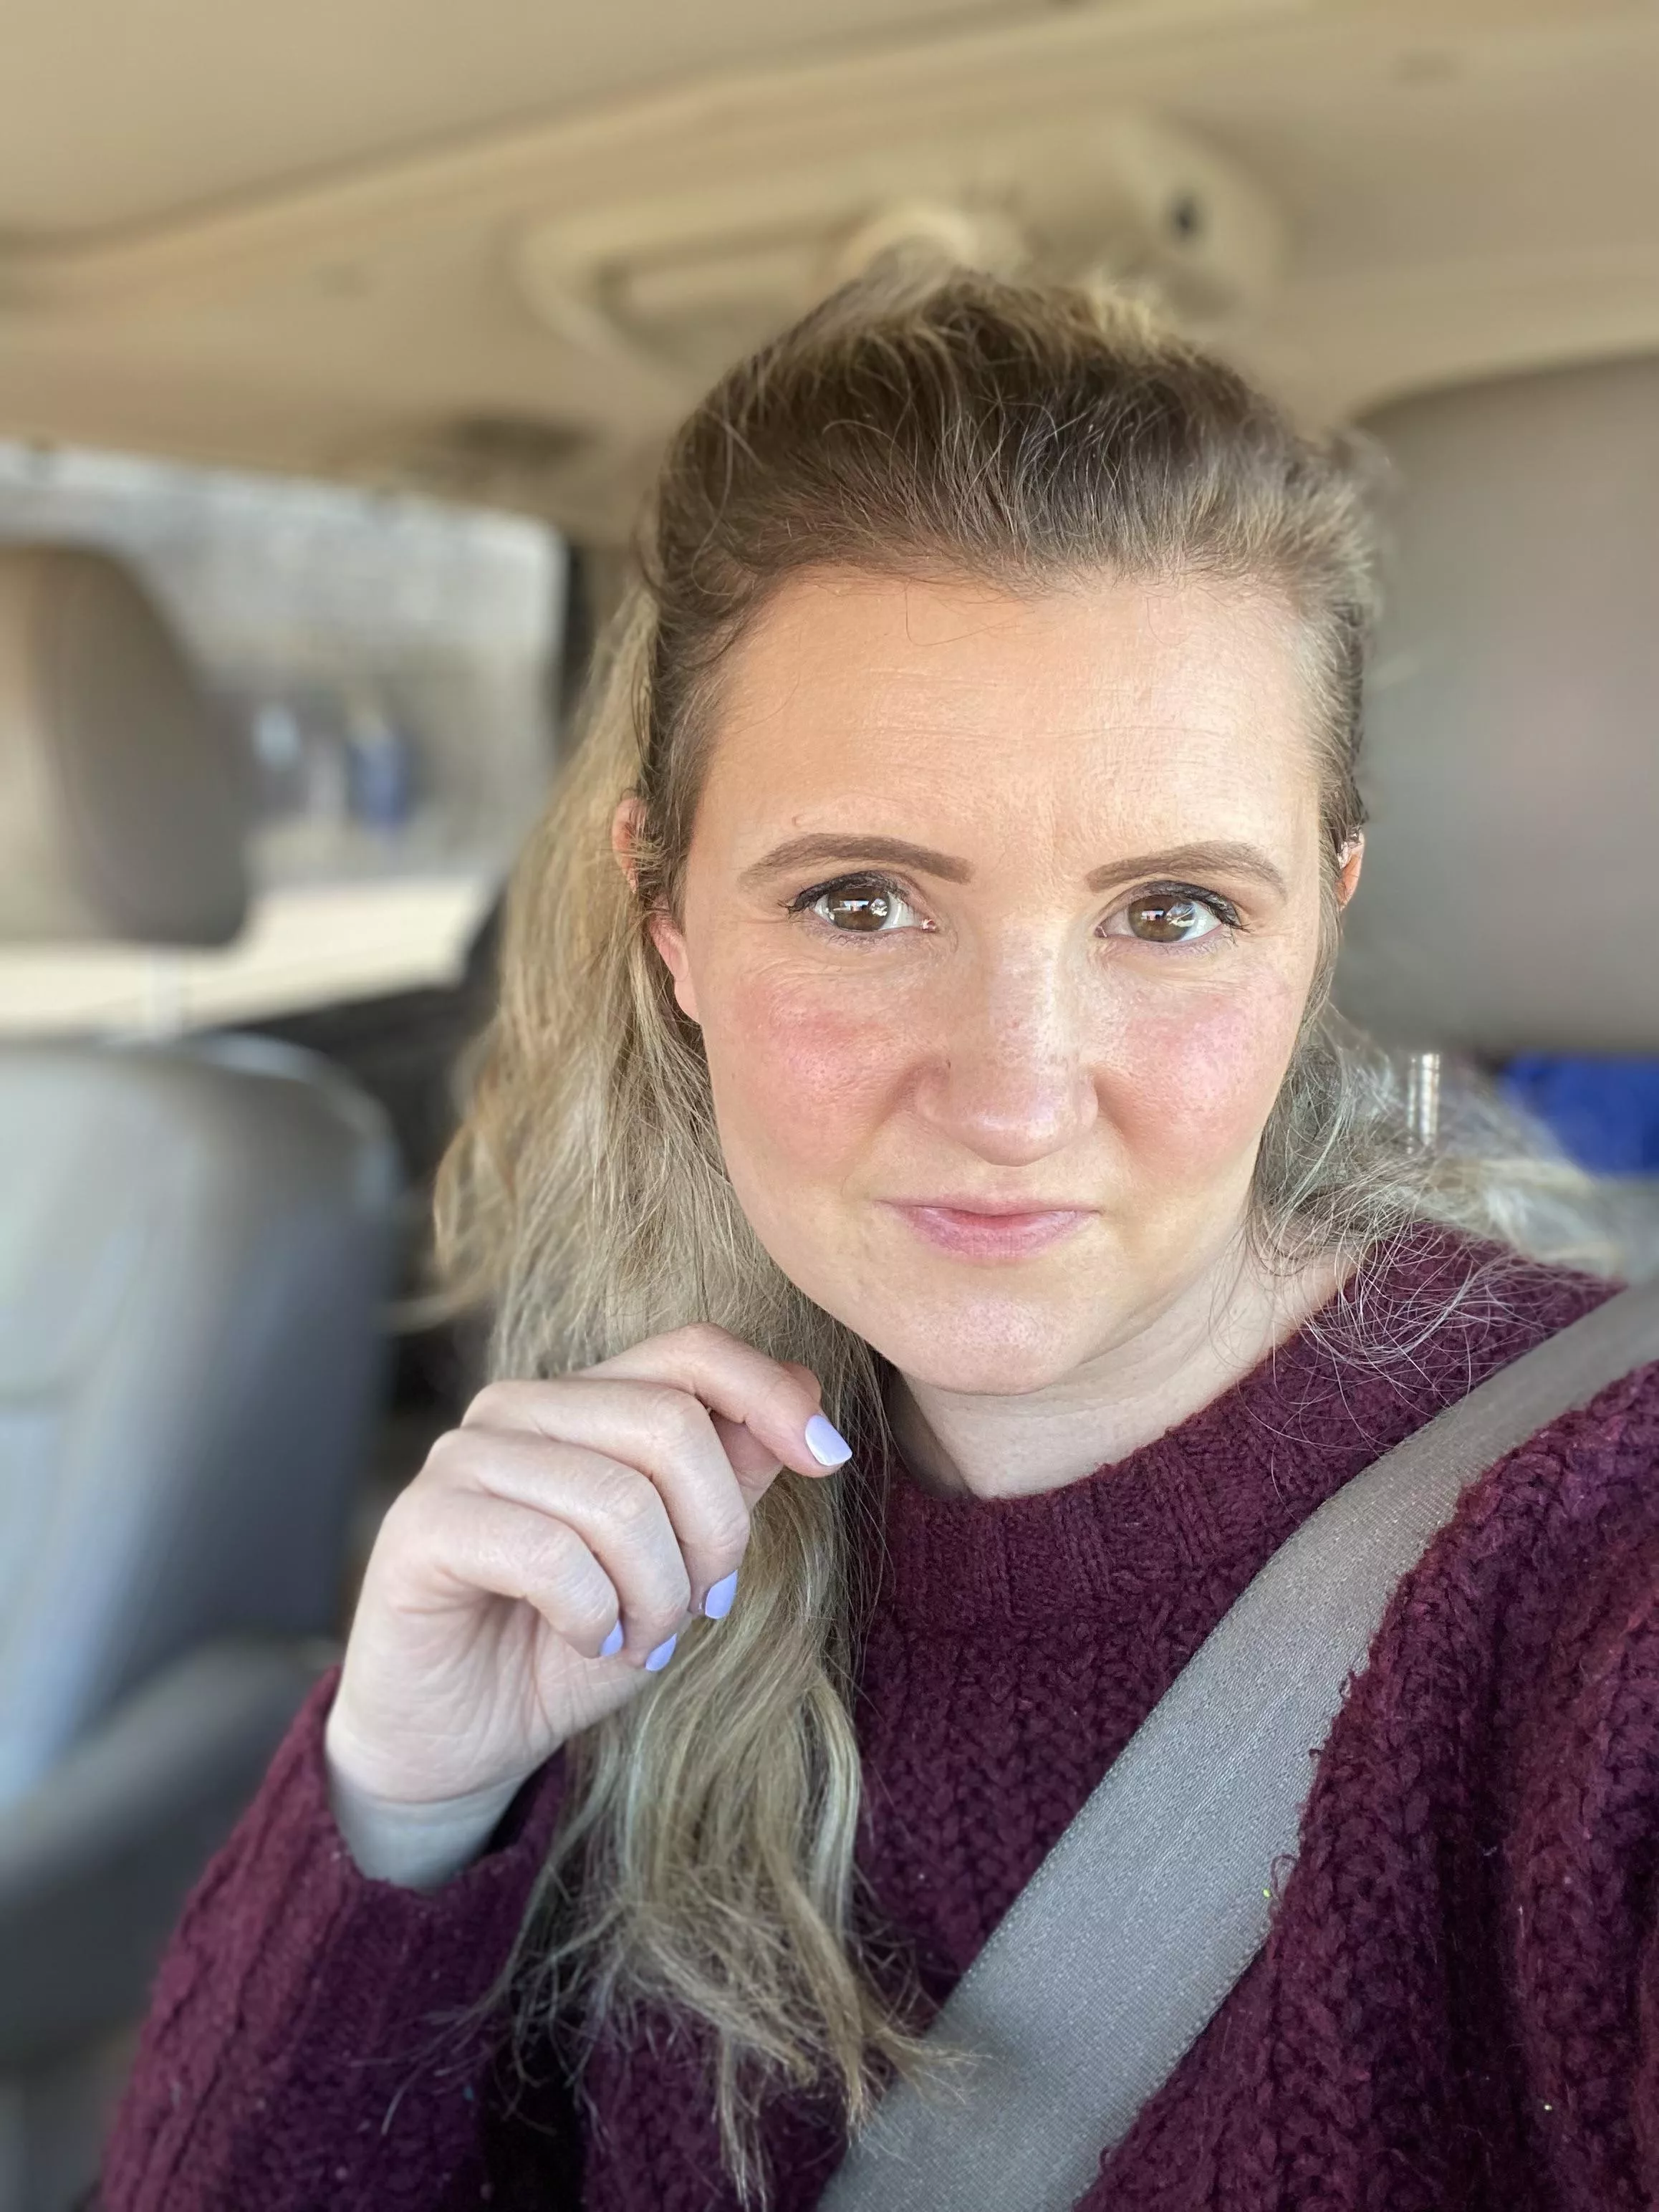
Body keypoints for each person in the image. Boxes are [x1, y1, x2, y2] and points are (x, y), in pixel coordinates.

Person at [97, 266, 1659, 2212]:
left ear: (1320, 923)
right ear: (670, 919)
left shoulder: (1598, 1565)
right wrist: (406, 1806)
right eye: (860, 901)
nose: (1014, 1094)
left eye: (1171, 912)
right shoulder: (627, 1556)